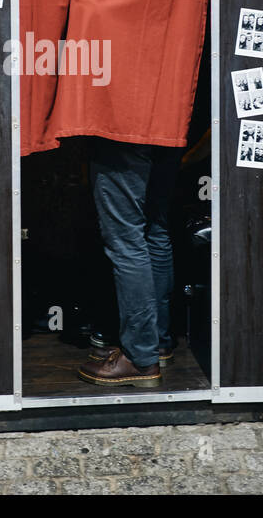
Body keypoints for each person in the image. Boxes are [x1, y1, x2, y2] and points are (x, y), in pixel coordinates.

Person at [76, 139, 184, 388]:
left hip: (124, 125)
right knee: (155, 230)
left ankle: (140, 358)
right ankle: (157, 344)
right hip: (169, 122)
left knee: (126, 241)